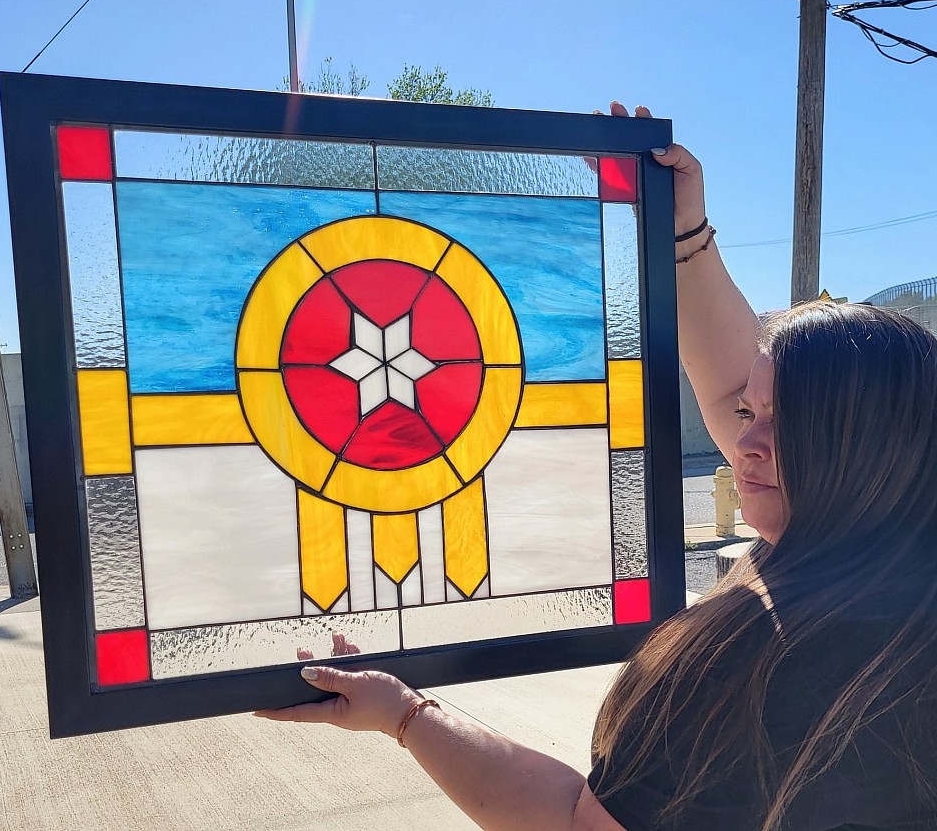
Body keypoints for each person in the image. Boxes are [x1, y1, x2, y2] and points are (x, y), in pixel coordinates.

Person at [254, 102, 937, 830]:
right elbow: (734, 378)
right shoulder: (901, 591)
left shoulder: (746, 663)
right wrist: (684, 235)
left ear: (872, 444)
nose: (746, 441)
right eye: (751, 413)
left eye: (788, 422)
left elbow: (574, 821)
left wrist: (407, 714)